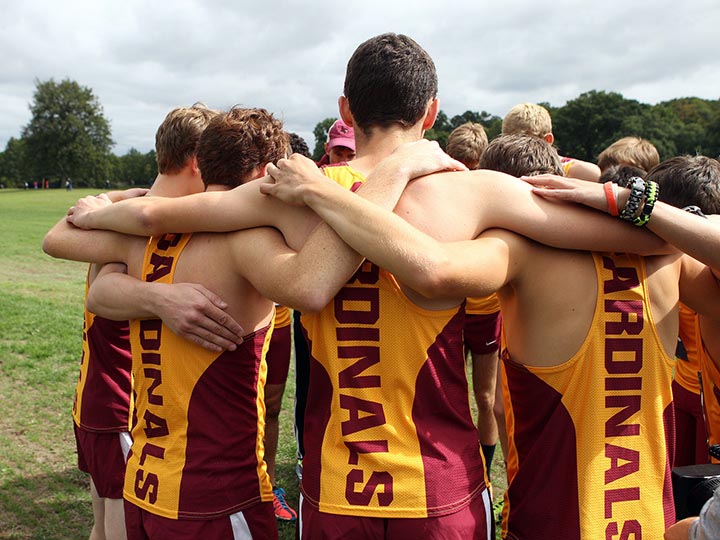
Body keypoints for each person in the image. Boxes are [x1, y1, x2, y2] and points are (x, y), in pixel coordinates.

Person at [61, 34, 669, 540]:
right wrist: (615, 196)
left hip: (336, 491)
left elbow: (147, 220)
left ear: (345, 111)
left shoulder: (287, 190)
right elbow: (654, 241)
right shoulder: (475, 190)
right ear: (432, 112)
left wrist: (100, 206)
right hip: (440, 489)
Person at [259, 135, 720, 540]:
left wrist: (328, 191)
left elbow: (431, 269)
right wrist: (642, 209)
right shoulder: (672, 258)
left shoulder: (514, 249)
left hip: (547, 518)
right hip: (646, 517)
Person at [51, 108, 462, 539]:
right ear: (263, 174)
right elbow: (311, 284)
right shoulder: (247, 242)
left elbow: (79, 264)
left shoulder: (138, 236)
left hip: (145, 486)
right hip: (217, 497)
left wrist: (116, 217)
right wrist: (394, 171)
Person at [63, 103, 236, 540]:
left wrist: (116, 199)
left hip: (99, 400)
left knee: (102, 527)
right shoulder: (145, 228)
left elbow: (56, 238)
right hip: (122, 404)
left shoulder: (127, 216)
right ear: (198, 161)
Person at [502, 102, 601, 182]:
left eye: (528, 143)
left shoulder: (580, 172)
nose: (518, 150)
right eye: (511, 143)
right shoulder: (501, 170)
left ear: (548, 140)